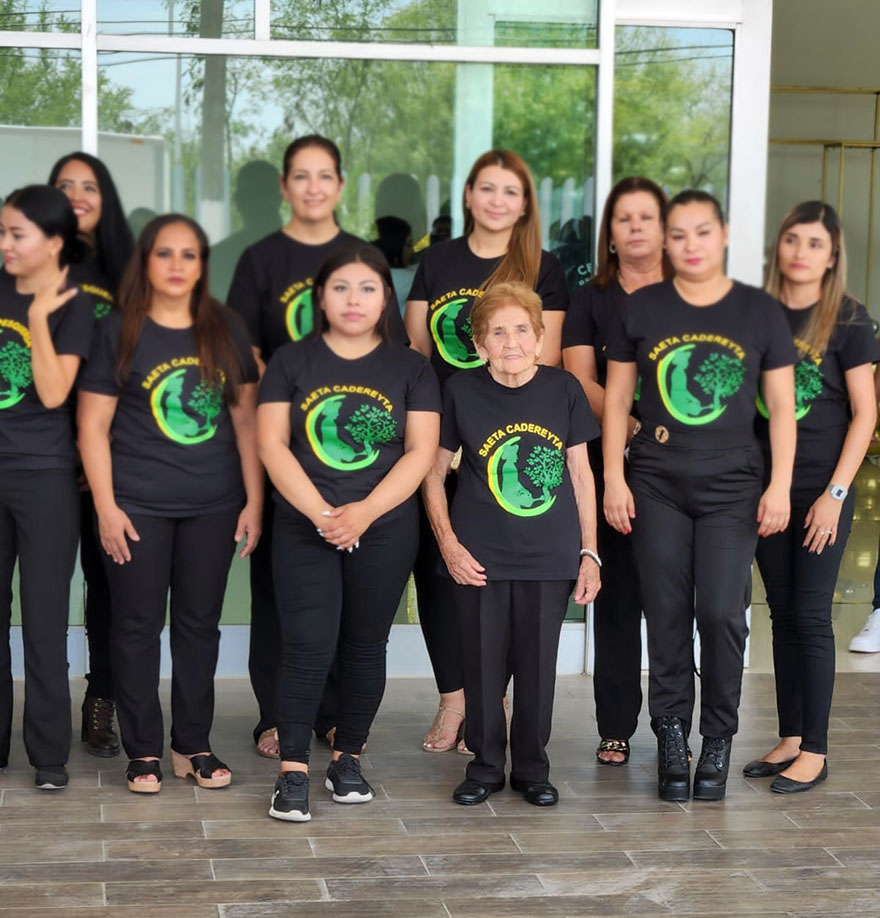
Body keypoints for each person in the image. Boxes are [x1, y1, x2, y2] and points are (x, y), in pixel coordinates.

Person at [603, 189, 798, 802]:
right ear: (666, 241)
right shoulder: (643, 308)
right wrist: (613, 476)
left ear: (725, 234)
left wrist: (781, 487)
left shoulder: (759, 312)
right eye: (679, 235)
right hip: (656, 479)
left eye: (702, 232)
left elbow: (785, 410)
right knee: (663, 614)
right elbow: (615, 400)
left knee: (719, 612)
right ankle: (671, 737)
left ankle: (717, 737)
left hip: (733, 484)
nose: (690, 245)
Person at [227, 134, 407, 759]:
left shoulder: (360, 257)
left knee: (353, 602)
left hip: (357, 459)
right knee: (285, 595)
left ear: (340, 184)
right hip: (288, 454)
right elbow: (246, 360)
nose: (311, 187)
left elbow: (393, 351)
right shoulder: (260, 260)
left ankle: (332, 716)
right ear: (284, 187)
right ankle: (277, 715)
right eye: (299, 176)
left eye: (323, 175)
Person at [77, 214, 261, 794]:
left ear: (202, 264)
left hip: (213, 504)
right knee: (134, 626)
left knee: (197, 627)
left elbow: (247, 423)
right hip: (136, 506)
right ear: (146, 263)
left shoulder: (225, 327)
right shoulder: (118, 331)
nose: (177, 265)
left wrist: (255, 501)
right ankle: (143, 751)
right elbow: (92, 426)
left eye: (189, 254)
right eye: (165, 254)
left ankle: (192, 744)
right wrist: (106, 506)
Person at [257, 244, 439, 822]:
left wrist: (363, 512)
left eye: (367, 288)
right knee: (306, 645)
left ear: (385, 296)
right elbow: (271, 445)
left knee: (365, 645)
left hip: (384, 526)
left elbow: (420, 453)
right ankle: (292, 773)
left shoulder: (410, 366)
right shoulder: (291, 362)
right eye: (341, 288)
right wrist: (320, 513)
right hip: (303, 523)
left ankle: (347, 758)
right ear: (321, 297)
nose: (354, 299)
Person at [405, 149, 569, 754]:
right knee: (437, 568)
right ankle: (456, 698)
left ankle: (490, 703)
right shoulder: (437, 262)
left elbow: (543, 362)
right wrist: (431, 434)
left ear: (525, 204)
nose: (498, 201)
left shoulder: (543, 268)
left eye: (511, 192)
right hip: (439, 437)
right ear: (469, 194)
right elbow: (418, 354)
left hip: (506, 443)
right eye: (487, 189)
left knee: (497, 574)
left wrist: (483, 434)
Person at [422, 281, 600, 806]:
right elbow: (432, 476)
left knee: (538, 666)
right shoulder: (459, 390)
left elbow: (581, 475)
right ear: (479, 346)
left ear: (540, 339)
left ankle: (531, 768)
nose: (511, 341)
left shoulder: (564, 390)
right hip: (479, 554)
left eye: (521, 329)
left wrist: (589, 552)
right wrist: (449, 547)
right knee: (481, 665)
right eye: (497, 332)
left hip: (550, 553)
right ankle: (483, 766)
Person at [745, 202, 879, 793]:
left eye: (815, 244)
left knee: (810, 613)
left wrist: (836, 492)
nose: (801, 252)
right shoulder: (756, 313)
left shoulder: (848, 319)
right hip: (769, 487)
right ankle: (792, 735)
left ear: (832, 256)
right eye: (792, 240)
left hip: (824, 486)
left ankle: (817, 751)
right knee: (779, 610)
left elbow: (865, 412)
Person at [562, 176, 670, 766]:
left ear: (664, 228)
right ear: (610, 233)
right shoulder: (592, 298)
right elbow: (579, 377)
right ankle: (616, 726)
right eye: (623, 218)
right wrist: (626, 425)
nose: (634, 228)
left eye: (646, 217)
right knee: (620, 597)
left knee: (675, 601)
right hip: (618, 460)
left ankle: (674, 722)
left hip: (685, 467)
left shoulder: (694, 294)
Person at [0, 185, 95, 789]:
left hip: (46, 478)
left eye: (16, 234)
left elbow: (57, 392)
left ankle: (48, 755)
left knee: (42, 618)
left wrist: (35, 316)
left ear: (53, 242)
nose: (4, 244)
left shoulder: (74, 304)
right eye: (2, 233)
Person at [49, 150, 135, 758]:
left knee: (110, 585)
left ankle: (102, 699)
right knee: (45, 587)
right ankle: (40, 715)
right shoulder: (33, 267)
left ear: (105, 197)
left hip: (111, 454)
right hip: (42, 452)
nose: (77, 195)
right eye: (64, 186)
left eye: (88, 186)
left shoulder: (128, 273)